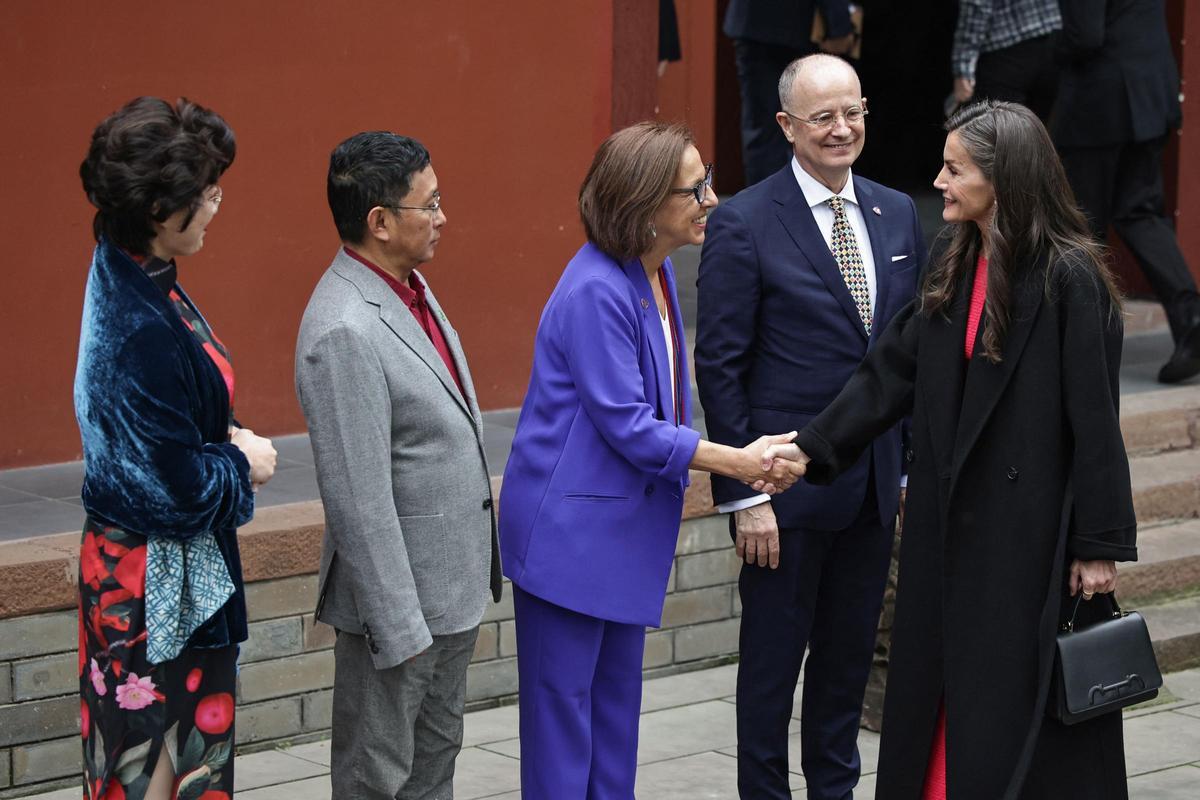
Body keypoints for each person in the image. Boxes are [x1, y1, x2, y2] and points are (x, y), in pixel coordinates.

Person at [762, 100, 1137, 799]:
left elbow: (1096, 421)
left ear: (1005, 180)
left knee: (1007, 709)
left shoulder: (1071, 278)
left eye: (955, 169)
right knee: (938, 689)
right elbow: (891, 372)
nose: (937, 180)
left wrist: (1098, 544)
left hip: (1024, 539)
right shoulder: (956, 259)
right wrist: (810, 450)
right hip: (947, 523)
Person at [499, 121, 805, 799]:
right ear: (641, 203)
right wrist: (741, 461)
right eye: (694, 189)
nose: (712, 199)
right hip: (566, 540)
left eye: (708, 180)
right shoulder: (595, 291)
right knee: (563, 727)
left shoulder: (655, 268)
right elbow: (630, 427)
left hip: (614, 533)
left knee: (614, 718)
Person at [695, 53, 925, 799]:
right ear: (787, 125)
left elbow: (909, 356)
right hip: (781, 495)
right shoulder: (743, 220)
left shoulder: (898, 211)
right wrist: (744, 497)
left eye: (853, 111)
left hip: (871, 491)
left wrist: (908, 468)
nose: (842, 129)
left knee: (845, 671)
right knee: (769, 676)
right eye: (822, 116)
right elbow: (721, 365)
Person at [75, 96, 277, 800]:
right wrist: (242, 460)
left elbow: (158, 425)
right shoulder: (140, 323)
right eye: (206, 192)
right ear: (161, 209)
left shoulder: (132, 270)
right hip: (151, 579)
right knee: (153, 766)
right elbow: (177, 487)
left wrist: (219, 431)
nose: (218, 203)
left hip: (142, 567)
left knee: (153, 761)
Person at [295, 132, 502, 799]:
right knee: (375, 779)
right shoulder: (344, 327)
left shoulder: (408, 288)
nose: (443, 217)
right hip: (400, 616)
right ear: (379, 222)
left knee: (432, 771)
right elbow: (357, 497)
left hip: (447, 593)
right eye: (430, 204)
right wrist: (398, 625)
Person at [1054, 0, 1200, 384]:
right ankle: (1191, 318)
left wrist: (1041, 55)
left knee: (1081, 227)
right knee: (1141, 213)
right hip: (1151, 90)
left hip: (1102, 102)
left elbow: (1085, 36)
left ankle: (1084, 347)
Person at [723, 0, 857, 186]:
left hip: (756, 23)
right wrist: (839, 23)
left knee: (764, 129)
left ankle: (767, 209)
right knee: (817, 119)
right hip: (795, 25)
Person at [948, 0, 1062, 120]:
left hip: (1004, 46)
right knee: (1041, 130)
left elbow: (977, 4)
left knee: (998, 132)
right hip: (1053, 39)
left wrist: (963, 67)